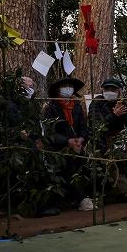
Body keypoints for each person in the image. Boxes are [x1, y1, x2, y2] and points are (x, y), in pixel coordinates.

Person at [42, 77, 95, 211]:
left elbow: (83, 128)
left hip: (77, 145)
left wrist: (81, 139)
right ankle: (82, 198)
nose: (68, 88)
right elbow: (49, 133)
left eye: (70, 86)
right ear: (58, 90)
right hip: (57, 148)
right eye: (64, 86)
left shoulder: (76, 106)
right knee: (69, 162)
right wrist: (67, 141)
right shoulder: (50, 107)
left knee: (88, 163)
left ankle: (87, 195)